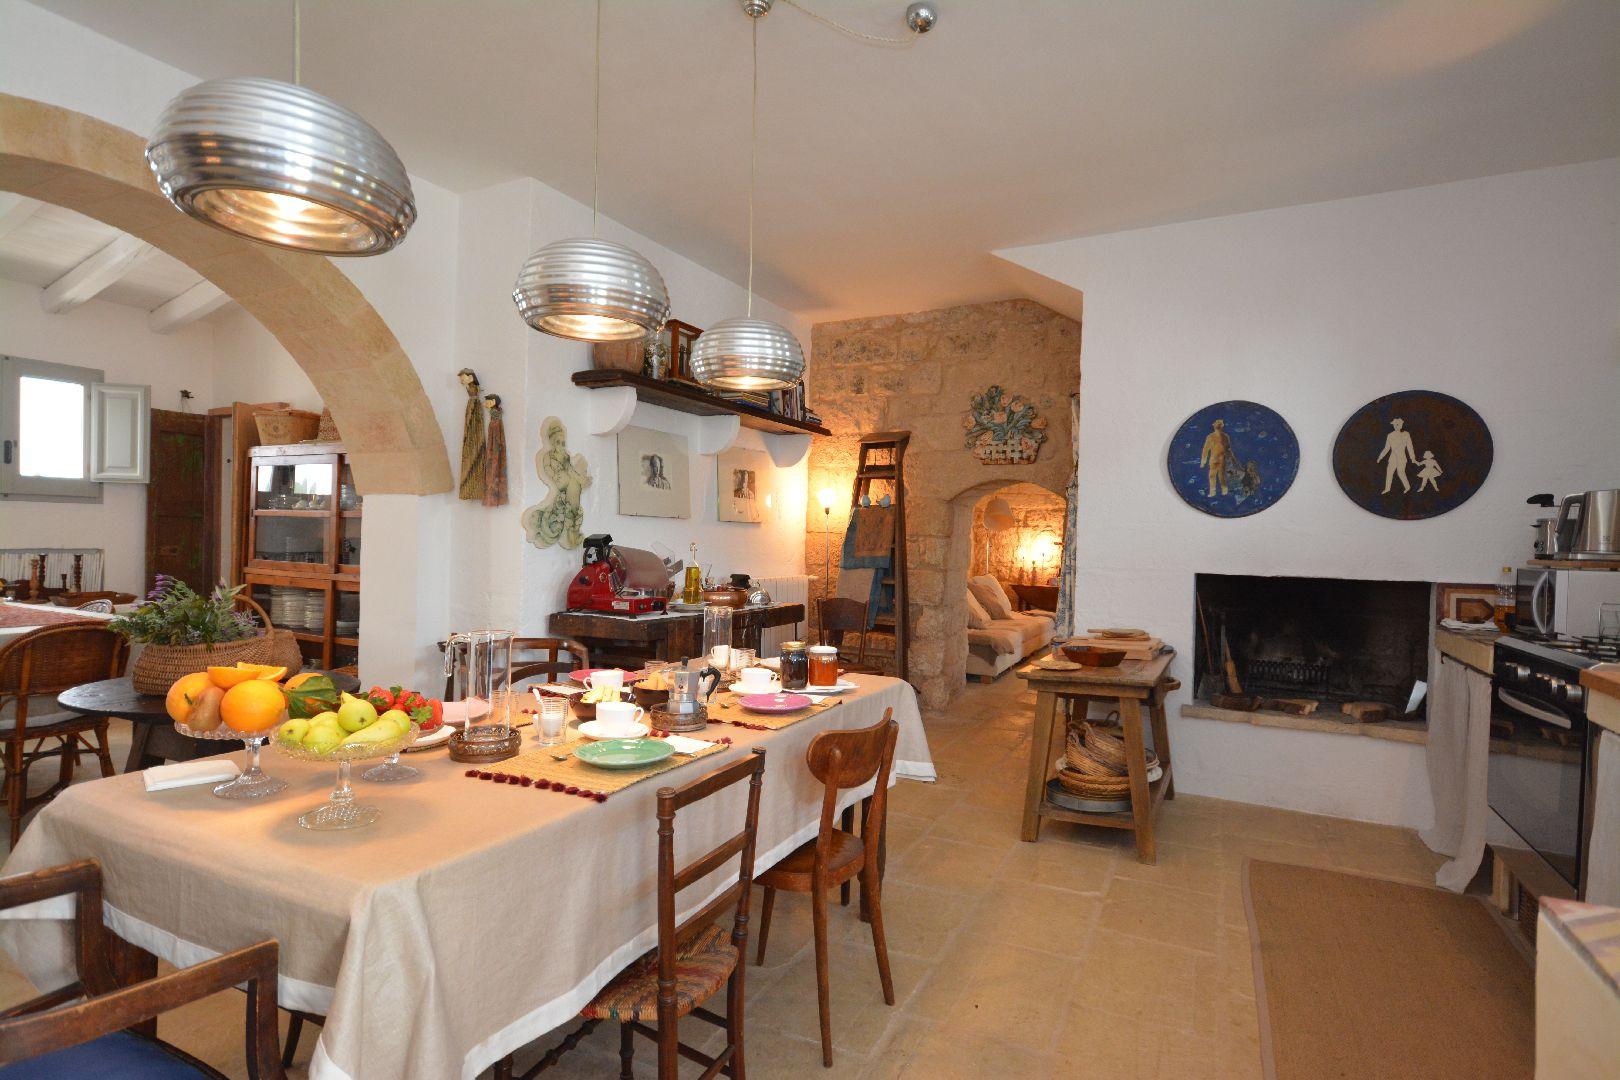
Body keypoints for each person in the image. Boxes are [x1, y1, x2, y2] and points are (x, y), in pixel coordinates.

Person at [1377, 418, 1418, 494]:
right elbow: (1386, 448)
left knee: (1400, 473)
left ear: (1401, 425)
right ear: (1393, 425)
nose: (1396, 426)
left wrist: (1413, 458)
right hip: (1392, 457)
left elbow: (1410, 447)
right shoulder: (1390, 435)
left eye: (1398, 424)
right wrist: (1380, 457)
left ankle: (1407, 487)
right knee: (1389, 472)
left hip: (1402, 457)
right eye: (1395, 424)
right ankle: (1387, 489)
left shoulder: (1406, 434)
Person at [1200, 419, 1232, 497]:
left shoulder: (1225, 436)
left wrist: (1230, 459)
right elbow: (1206, 449)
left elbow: (1228, 449)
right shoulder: (1210, 436)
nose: (1217, 426)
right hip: (1213, 459)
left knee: (1221, 476)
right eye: (1216, 425)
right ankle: (1213, 492)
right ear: (1214, 426)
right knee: (1212, 475)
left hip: (1222, 459)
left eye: (1219, 425)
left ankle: (1224, 491)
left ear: (1221, 426)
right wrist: (1203, 461)